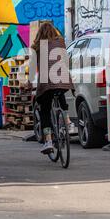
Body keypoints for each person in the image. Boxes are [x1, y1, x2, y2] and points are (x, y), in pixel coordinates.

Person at [30, 22, 74, 154]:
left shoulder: (37, 46)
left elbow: (33, 69)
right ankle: (68, 121)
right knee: (59, 90)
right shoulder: (61, 42)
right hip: (63, 80)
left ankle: (48, 141)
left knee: (45, 110)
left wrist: (28, 83)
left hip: (46, 83)